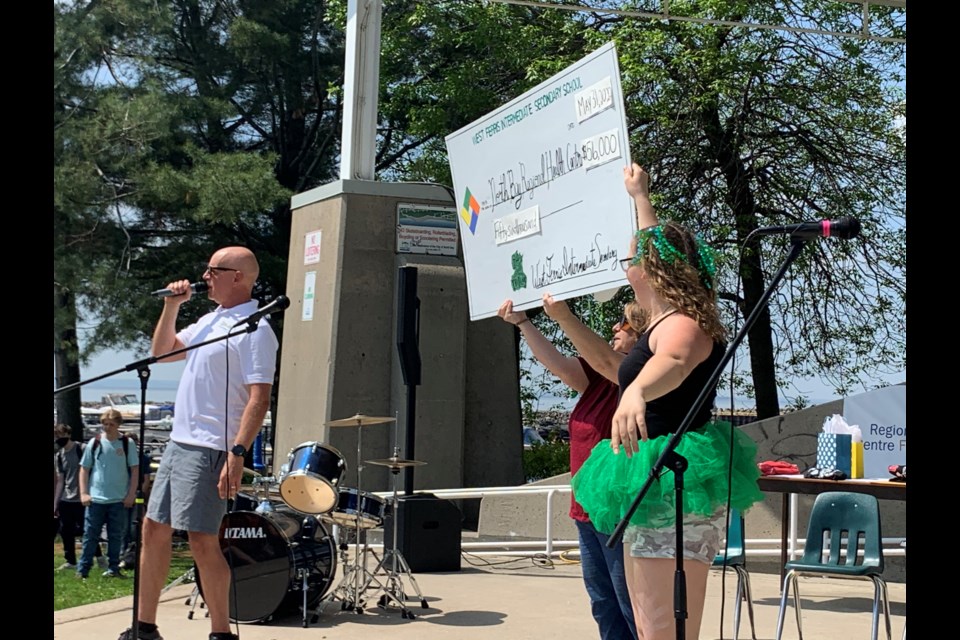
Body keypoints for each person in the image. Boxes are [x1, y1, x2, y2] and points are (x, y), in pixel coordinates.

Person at [571, 164, 764, 640]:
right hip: (650, 476)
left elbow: (677, 360)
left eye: (632, 256)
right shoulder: (659, 319)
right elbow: (653, 239)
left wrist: (636, 389)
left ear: (654, 268)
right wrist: (640, 195)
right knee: (647, 620)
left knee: (662, 627)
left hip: (673, 476)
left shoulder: (684, 322)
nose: (625, 261)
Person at [120, 246, 278, 640]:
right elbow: (162, 353)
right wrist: (172, 307)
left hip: (212, 446)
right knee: (154, 529)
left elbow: (259, 399)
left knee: (202, 541)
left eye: (213, 270)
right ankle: (145, 627)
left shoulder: (255, 329)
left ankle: (222, 633)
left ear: (237, 277)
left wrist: (237, 454)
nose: (204, 276)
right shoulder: (211, 320)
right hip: (179, 442)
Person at [498, 298, 644, 640]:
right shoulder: (598, 380)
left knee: (630, 605)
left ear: (643, 334)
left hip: (619, 510)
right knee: (604, 604)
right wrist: (523, 323)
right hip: (587, 510)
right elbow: (558, 365)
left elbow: (609, 361)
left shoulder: (636, 376)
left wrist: (564, 315)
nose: (614, 327)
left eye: (623, 323)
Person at [77, 409, 139, 579]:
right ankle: (83, 569)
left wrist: (130, 494)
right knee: (90, 535)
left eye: (111, 424)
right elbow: (84, 468)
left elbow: (134, 469)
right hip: (95, 498)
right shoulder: (94, 443)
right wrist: (83, 493)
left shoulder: (127, 443)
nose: (107, 427)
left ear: (118, 424)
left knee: (115, 535)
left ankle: (114, 567)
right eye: (105, 424)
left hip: (118, 499)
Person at [54, 424, 106, 570]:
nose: (58, 439)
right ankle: (70, 560)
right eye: (56, 436)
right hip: (67, 497)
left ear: (68, 434)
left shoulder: (82, 449)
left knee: (88, 529)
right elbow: (61, 480)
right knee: (66, 530)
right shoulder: (59, 455)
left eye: (60, 435)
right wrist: (55, 502)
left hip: (83, 497)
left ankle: (99, 557)